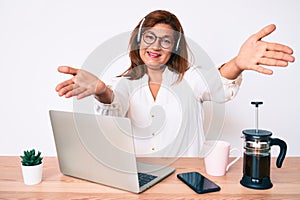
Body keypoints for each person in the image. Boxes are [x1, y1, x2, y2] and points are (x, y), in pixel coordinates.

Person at [55, 10, 294, 157]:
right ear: (139, 42)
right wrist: (102, 91)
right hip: (141, 178)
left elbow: (217, 83)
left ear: (174, 48)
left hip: (188, 178)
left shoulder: (190, 78)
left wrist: (237, 63)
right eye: (150, 37)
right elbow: (113, 108)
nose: (156, 47)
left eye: (166, 41)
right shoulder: (125, 84)